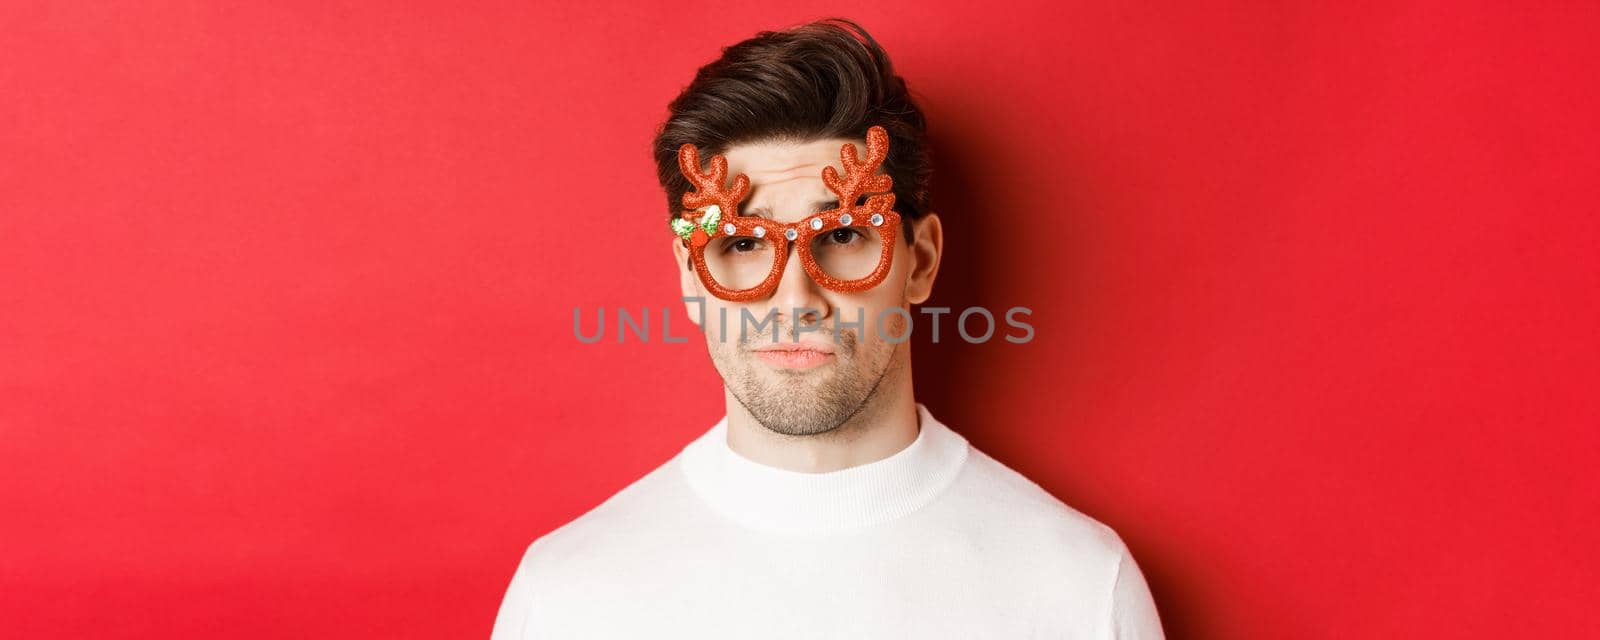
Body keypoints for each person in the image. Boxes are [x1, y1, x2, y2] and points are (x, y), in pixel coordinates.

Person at [491, 18, 1164, 639]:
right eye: (743, 244)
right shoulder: (567, 598)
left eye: (842, 234)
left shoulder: (1078, 587)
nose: (794, 297)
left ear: (921, 261)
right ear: (692, 274)